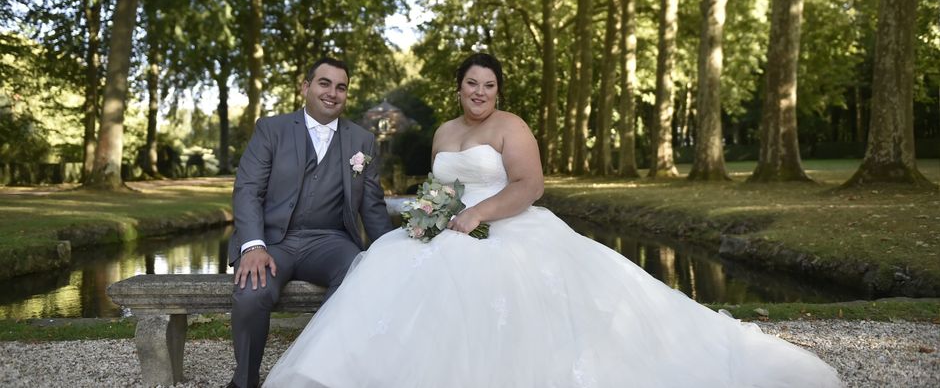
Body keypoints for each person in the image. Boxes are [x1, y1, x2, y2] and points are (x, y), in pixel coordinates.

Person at [263, 53, 842, 387]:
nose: (480, 92)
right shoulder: (443, 131)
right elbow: (441, 187)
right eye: (471, 84)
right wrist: (432, 213)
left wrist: (476, 215)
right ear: (460, 88)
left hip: (507, 227)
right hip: (449, 229)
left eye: (489, 85)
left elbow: (530, 186)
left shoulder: (511, 128)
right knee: (386, 272)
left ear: (497, 93)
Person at [227, 57, 393, 388]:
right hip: (274, 241)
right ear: (306, 87)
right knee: (250, 293)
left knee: (358, 278)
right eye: (324, 83)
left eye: (341, 87)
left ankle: (323, 373)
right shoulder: (271, 129)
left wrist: (393, 254)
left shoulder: (362, 141)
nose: (332, 93)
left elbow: (372, 207)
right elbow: (247, 190)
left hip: (330, 242)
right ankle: (244, 380)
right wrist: (253, 245)